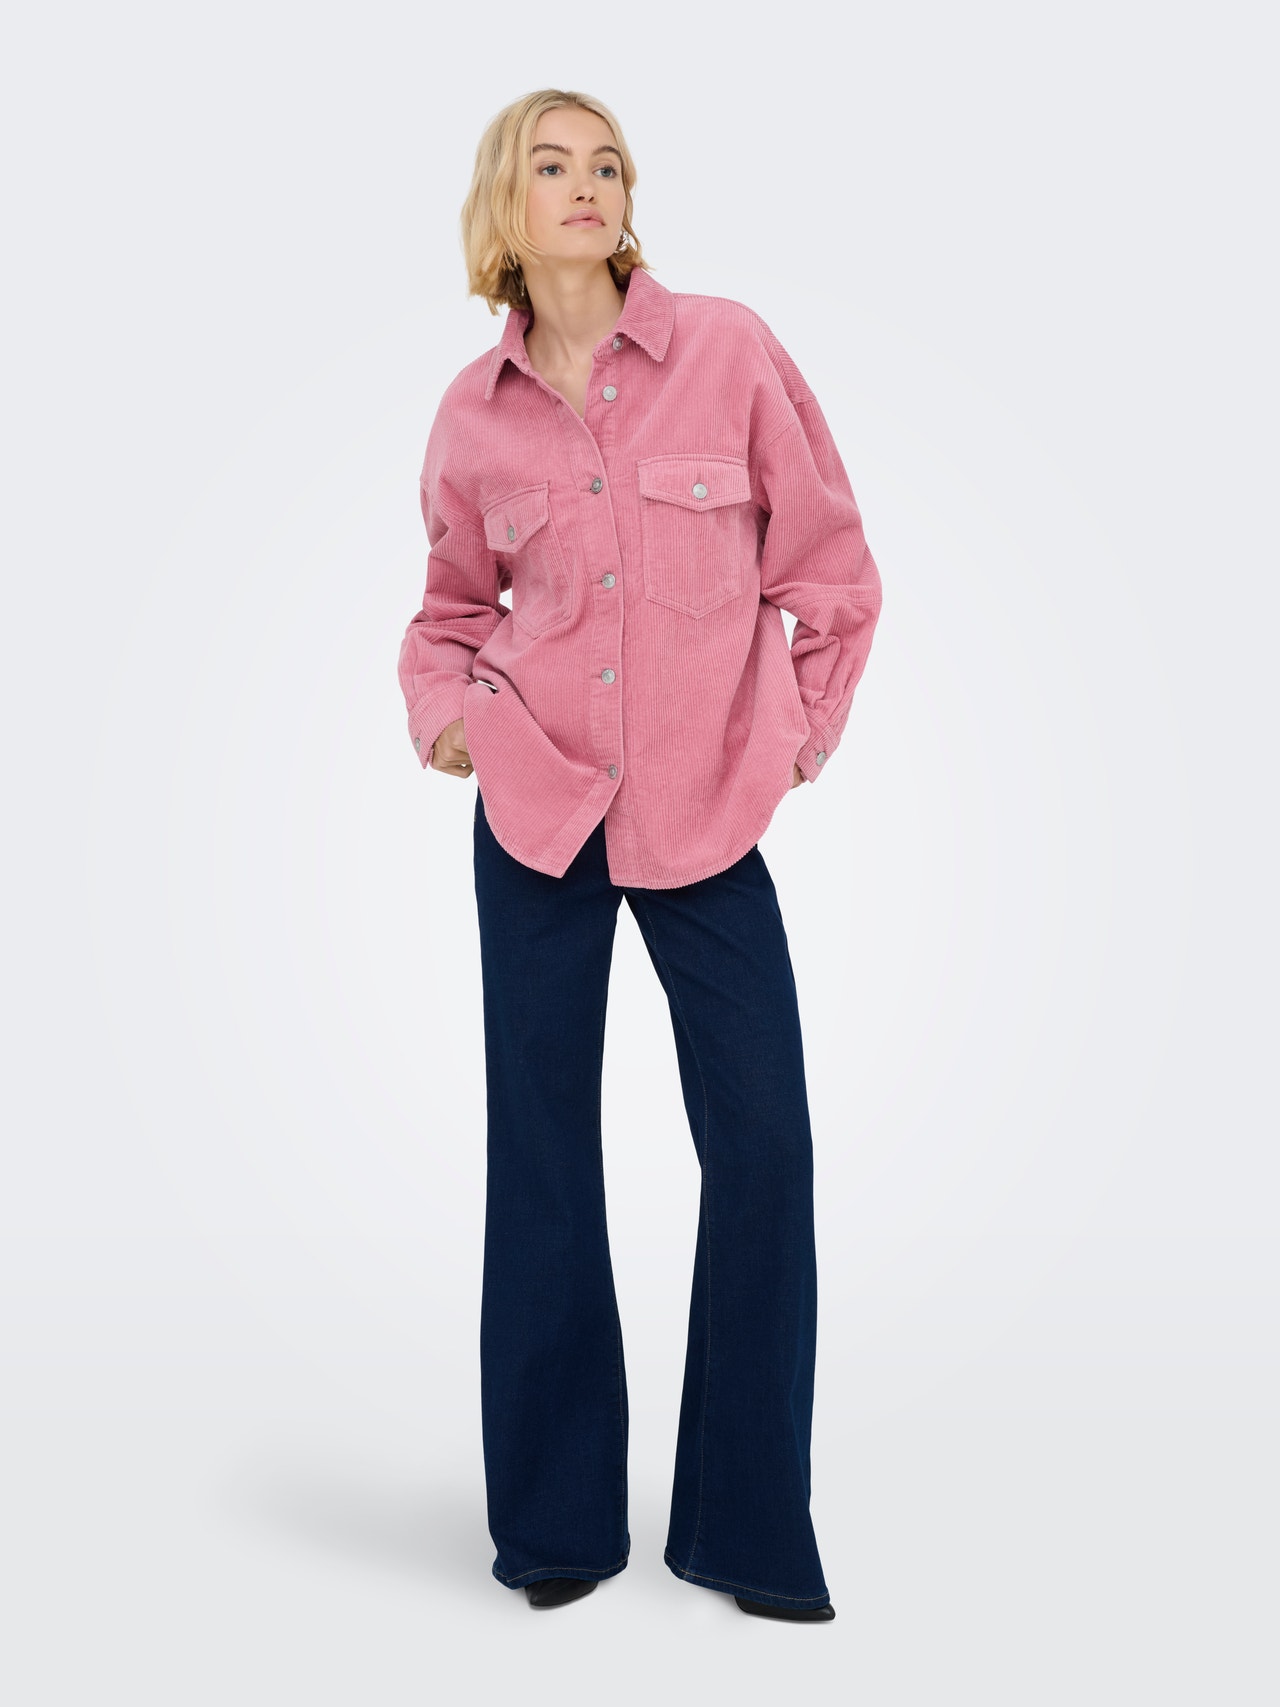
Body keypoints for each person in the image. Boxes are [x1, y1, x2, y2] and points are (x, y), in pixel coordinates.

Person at [397, 88, 883, 1621]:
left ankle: (746, 1525)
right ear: (505, 206)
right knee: (542, 1158)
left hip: (705, 813)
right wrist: (448, 721)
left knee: (764, 1145)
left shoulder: (728, 351)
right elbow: (448, 610)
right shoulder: (472, 416)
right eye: (552, 164)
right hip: (536, 811)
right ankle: (556, 1527)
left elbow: (833, 570)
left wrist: (796, 735)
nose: (587, 184)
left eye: (607, 162)